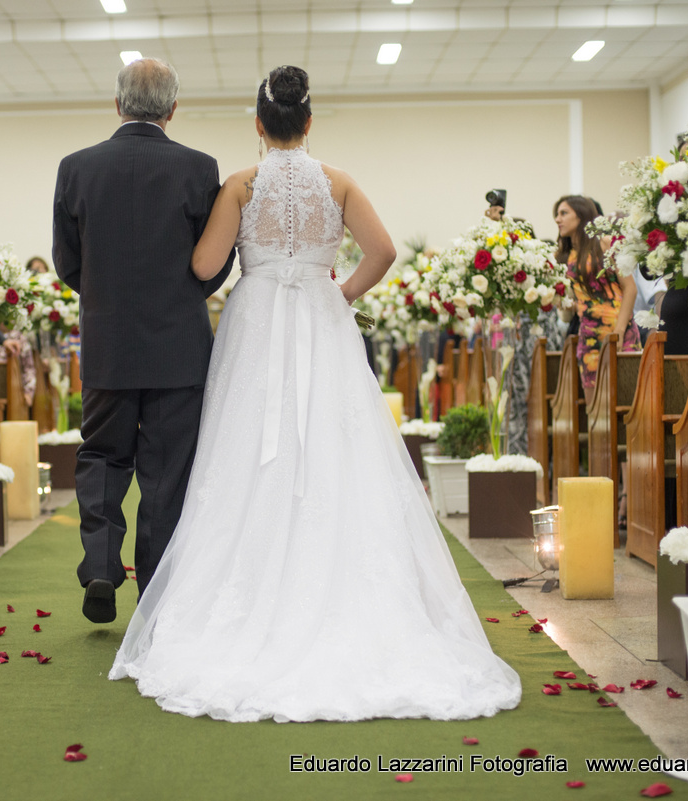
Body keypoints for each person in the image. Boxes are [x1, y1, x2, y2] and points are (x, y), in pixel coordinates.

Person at [109, 66, 522, 723]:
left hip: (257, 321)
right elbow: (383, 250)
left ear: (257, 124)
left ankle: (241, 597)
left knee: (246, 449)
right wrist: (342, 291)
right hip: (323, 322)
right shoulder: (339, 181)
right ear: (308, 122)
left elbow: (204, 266)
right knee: (336, 442)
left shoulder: (242, 185)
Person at [53, 57, 233, 623]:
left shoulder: (76, 167)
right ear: (174, 109)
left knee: (103, 459)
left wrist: (108, 298)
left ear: (117, 104)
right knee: (166, 472)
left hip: (108, 342)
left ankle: (102, 566)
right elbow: (214, 261)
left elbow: (66, 260)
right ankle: (154, 592)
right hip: (179, 347)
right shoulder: (200, 169)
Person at [554, 195, 639, 401]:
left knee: (626, 403)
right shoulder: (565, 256)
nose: (558, 219)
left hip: (619, 330)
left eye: (564, 213)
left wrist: (618, 331)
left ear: (581, 215)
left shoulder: (605, 244)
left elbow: (630, 288)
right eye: (557, 215)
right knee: (595, 409)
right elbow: (573, 301)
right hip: (589, 334)